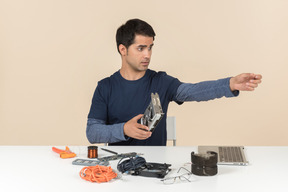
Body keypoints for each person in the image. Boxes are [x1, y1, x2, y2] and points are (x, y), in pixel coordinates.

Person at [86, 18, 262, 146]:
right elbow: (92, 132)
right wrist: (124, 129)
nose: (147, 54)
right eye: (140, 48)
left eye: (150, 47)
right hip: (118, 169)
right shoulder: (105, 87)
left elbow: (193, 91)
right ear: (123, 49)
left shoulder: (161, 81)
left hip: (156, 168)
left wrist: (230, 83)